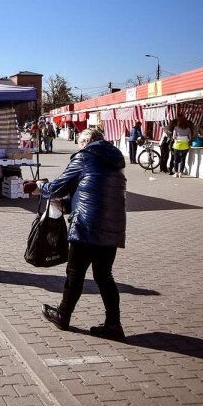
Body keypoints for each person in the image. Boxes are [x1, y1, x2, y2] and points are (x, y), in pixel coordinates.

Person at [26, 128, 127, 341]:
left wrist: (39, 186)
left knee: (75, 273)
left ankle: (63, 315)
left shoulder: (85, 157)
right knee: (104, 276)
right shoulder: (114, 161)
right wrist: (64, 205)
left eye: (80, 143)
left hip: (86, 227)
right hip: (112, 227)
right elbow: (88, 192)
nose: (79, 147)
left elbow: (58, 186)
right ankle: (113, 324)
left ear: (87, 142)